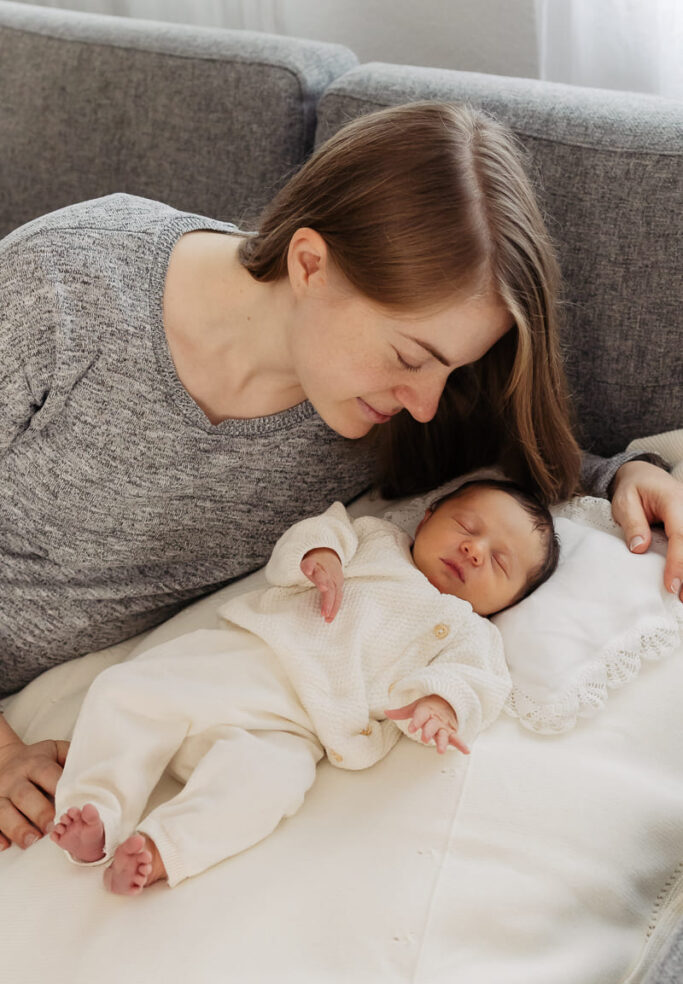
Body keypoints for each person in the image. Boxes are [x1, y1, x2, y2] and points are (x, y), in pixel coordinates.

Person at [1, 102, 681, 855]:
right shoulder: (65, 290)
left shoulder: (379, 407)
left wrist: (634, 474)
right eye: (412, 357)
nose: (424, 404)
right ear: (309, 265)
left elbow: (523, 471)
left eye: (449, 369)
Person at [49, 478, 558, 894]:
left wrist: (440, 705)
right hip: (244, 662)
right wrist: (321, 555)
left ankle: (163, 849)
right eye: (467, 527)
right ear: (426, 518)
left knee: (269, 786)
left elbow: (475, 683)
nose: (474, 549)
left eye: (499, 562)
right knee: (127, 690)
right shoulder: (376, 540)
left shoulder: (472, 631)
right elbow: (320, 530)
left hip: (302, 729)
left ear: (510, 600)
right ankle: (97, 810)